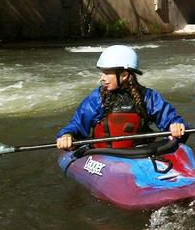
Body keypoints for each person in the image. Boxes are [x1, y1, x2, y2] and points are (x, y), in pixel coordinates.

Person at [56, 44, 187, 151]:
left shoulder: (148, 97)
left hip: (139, 154)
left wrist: (175, 126)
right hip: (104, 156)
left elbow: (172, 120)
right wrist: (67, 135)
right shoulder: (96, 98)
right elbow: (77, 125)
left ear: (124, 75)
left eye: (107, 73)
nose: (102, 78)